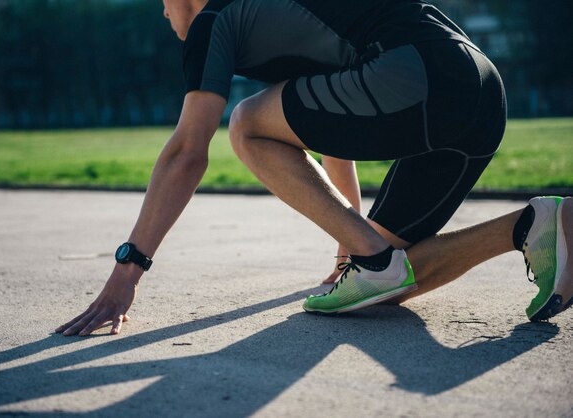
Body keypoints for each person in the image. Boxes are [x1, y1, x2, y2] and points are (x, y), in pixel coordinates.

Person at [56, 0, 572, 336]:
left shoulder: (213, 20)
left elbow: (187, 152)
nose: (163, 13)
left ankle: (372, 260)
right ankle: (534, 226)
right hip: (479, 85)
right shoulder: (280, 14)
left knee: (246, 125)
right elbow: (329, 132)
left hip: (418, 71)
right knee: (392, 280)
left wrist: (129, 268)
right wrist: (350, 250)